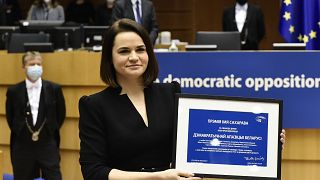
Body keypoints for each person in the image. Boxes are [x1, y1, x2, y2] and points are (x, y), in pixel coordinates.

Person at [78, 18, 286, 180]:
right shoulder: (94, 105)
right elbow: (94, 172)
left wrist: (264, 144)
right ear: (109, 57)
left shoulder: (170, 93)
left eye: (140, 49)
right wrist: (157, 177)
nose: (134, 57)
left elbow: (204, 146)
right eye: (124, 51)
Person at [6, 51, 66, 180]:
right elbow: (11, 118)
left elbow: (60, 115)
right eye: (32, 64)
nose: (36, 67)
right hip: (22, 146)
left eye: (39, 64)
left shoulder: (54, 89)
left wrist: (48, 131)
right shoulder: (13, 91)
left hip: (47, 144)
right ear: (23, 67)